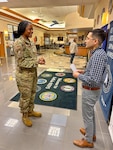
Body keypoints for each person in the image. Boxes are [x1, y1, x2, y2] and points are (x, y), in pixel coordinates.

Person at [72, 29, 108, 148]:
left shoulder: (98, 56)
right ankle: (91, 134)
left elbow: (93, 80)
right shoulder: (97, 53)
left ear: (95, 41)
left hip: (91, 91)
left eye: (88, 38)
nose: (85, 41)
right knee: (90, 114)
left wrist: (79, 75)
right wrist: (84, 71)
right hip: (92, 90)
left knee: (87, 116)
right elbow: (94, 73)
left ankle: (88, 140)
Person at [14, 20, 45, 127]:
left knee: (32, 94)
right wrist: (36, 62)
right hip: (24, 76)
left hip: (32, 73)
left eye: (32, 29)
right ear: (23, 30)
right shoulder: (19, 43)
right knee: (25, 96)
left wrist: (38, 60)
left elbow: (31, 58)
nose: (32, 31)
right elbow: (21, 62)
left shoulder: (31, 42)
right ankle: (24, 115)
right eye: (30, 29)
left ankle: (30, 111)